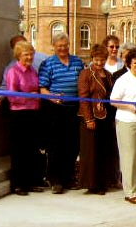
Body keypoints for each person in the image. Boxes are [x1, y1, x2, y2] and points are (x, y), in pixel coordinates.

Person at [0, 41, 44, 195]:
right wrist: (30, 97)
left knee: (32, 149)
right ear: (18, 56)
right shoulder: (13, 72)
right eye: (26, 54)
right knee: (19, 150)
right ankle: (19, 184)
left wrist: (36, 98)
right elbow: (12, 97)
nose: (29, 57)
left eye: (31, 54)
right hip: (18, 114)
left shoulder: (33, 71)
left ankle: (31, 182)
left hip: (33, 113)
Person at [38, 33, 85, 194]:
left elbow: (83, 82)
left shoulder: (78, 62)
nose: (63, 48)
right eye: (59, 46)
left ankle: (69, 178)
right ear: (54, 47)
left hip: (74, 108)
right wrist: (52, 97)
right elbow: (42, 88)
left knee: (72, 145)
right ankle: (55, 180)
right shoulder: (48, 64)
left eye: (65, 45)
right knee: (56, 145)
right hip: (56, 110)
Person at [110, 48, 136, 205]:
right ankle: (129, 192)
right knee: (129, 157)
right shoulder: (123, 80)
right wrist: (129, 107)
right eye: (135, 63)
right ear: (129, 64)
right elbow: (114, 100)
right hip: (127, 121)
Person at [77, 44, 114, 195]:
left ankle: (102, 183)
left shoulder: (108, 74)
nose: (99, 63)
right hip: (91, 117)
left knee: (103, 151)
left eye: (102, 60)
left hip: (105, 117)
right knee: (90, 152)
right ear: (92, 59)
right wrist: (88, 119)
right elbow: (83, 97)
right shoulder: (86, 74)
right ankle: (91, 184)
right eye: (97, 60)